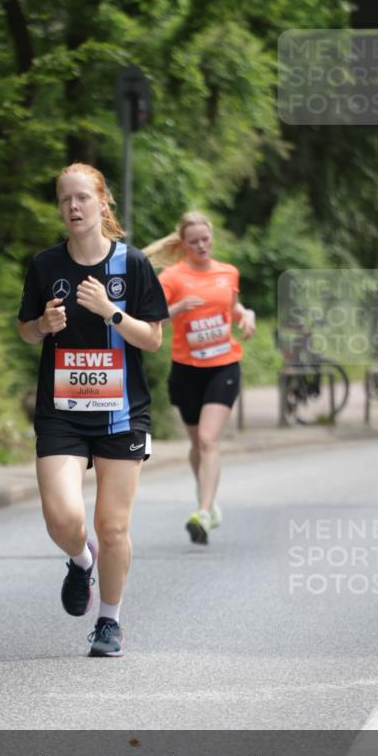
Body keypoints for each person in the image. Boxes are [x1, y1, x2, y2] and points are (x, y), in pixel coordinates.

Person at [17, 163, 169, 656]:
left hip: (122, 412)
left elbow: (152, 339)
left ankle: (109, 622)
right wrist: (43, 323)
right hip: (61, 410)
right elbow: (25, 330)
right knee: (62, 518)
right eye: (65, 200)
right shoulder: (45, 266)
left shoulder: (134, 265)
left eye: (83, 197)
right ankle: (81, 561)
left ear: (103, 203)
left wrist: (111, 311)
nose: (74, 207)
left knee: (114, 525)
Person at [145, 212, 255, 545]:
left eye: (205, 239)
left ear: (212, 238)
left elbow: (232, 307)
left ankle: (204, 513)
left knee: (208, 439)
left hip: (224, 365)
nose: (201, 246)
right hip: (186, 369)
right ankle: (208, 501)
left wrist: (246, 315)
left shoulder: (228, 272)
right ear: (183, 244)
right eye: (193, 242)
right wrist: (178, 309)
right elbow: (150, 321)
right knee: (197, 443)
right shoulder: (172, 277)